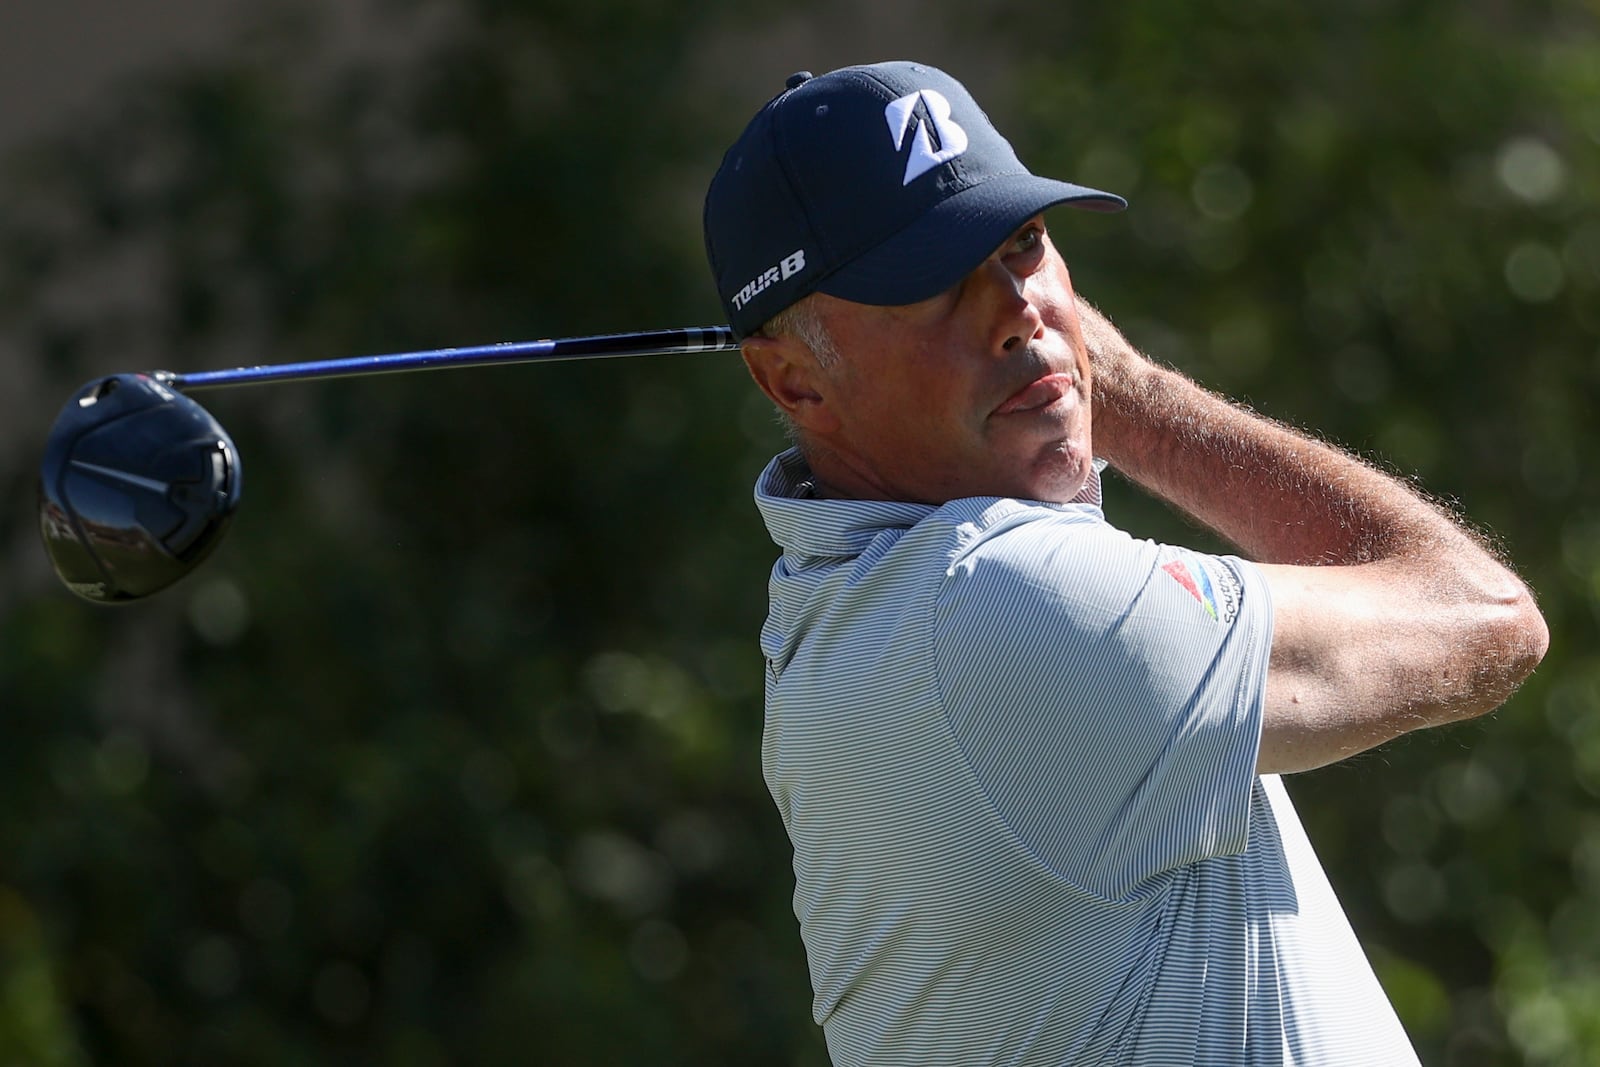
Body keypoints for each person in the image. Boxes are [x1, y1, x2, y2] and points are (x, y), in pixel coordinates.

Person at [702, 61, 1549, 1066]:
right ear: (794, 378)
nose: (1019, 308)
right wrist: (1134, 392)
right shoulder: (990, 604)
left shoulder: (862, 608)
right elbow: (1485, 616)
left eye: (1021, 243)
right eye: (931, 281)